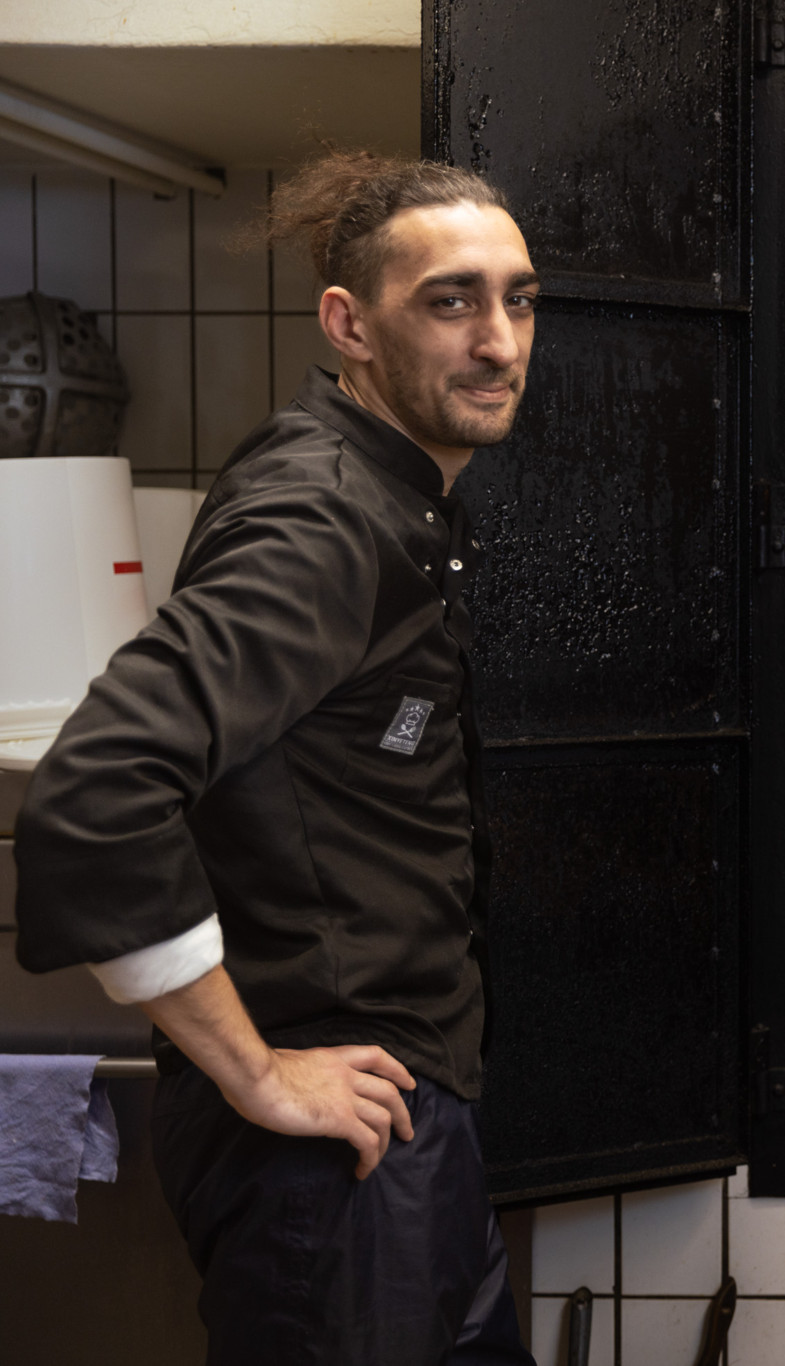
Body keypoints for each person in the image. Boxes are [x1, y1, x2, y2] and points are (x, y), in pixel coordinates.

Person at [13, 152, 540, 1366]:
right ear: (349, 325)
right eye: (451, 301)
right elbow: (94, 793)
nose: (500, 341)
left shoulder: (391, 487)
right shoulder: (321, 517)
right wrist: (256, 1073)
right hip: (325, 1158)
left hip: (401, 1128)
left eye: (518, 299)